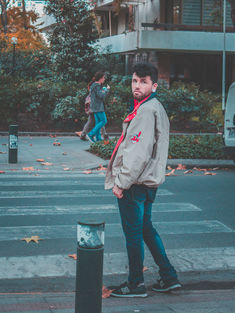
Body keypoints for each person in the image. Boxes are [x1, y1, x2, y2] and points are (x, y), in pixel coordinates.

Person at [105, 62, 181, 298]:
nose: (137, 85)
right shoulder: (154, 107)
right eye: (135, 81)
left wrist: (121, 183)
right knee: (146, 229)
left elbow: (137, 154)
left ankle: (136, 283)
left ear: (154, 85)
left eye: (144, 81)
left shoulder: (147, 110)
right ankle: (169, 277)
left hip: (135, 184)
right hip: (148, 183)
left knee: (134, 235)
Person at [85, 72, 110, 143]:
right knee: (104, 121)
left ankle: (98, 138)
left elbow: (98, 95)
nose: (104, 79)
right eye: (104, 78)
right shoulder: (97, 86)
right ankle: (91, 134)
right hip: (98, 107)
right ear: (101, 78)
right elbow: (101, 96)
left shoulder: (93, 85)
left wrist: (103, 90)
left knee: (98, 122)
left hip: (94, 106)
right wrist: (106, 90)